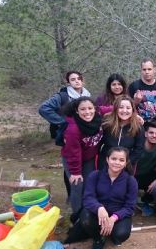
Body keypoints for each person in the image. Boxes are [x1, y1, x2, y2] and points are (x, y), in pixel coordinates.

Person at [39, 70, 92, 200]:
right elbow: (44, 108)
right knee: (69, 165)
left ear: (83, 80)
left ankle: (82, 196)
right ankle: (71, 196)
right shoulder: (62, 96)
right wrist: (62, 123)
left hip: (83, 135)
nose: (77, 81)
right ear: (68, 82)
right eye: (73, 79)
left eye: (79, 78)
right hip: (68, 135)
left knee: (80, 163)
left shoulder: (87, 95)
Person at [81, 147, 138, 249]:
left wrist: (114, 218)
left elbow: (130, 206)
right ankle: (98, 239)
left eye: (121, 160)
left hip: (118, 215)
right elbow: (88, 198)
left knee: (122, 234)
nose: (117, 162)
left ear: (126, 163)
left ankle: (112, 234)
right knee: (86, 219)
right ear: (107, 159)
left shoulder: (130, 181)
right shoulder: (95, 176)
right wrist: (99, 208)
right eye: (113, 159)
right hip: (97, 214)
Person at [61, 97, 104, 216]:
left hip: (88, 158)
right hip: (72, 159)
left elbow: (110, 108)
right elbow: (73, 152)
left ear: (95, 109)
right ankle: (77, 215)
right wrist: (75, 172)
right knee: (77, 185)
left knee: (89, 183)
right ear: (76, 110)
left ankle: (88, 210)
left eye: (90, 108)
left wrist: (134, 115)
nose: (87, 112)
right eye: (83, 109)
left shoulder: (98, 115)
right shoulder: (73, 129)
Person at [99, 96, 145, 170]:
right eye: (121, 107)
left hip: (126, 166)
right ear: (116, 109)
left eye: (128, 108)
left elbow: (139, 149)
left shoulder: (138, 127)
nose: (124, 110)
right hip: (105, 163)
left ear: (132, 110)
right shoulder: (107, 124)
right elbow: (99, 143)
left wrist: (126, 163)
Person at [134, 121, 156, 216]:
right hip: (132, 175)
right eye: (151, 133)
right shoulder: (137, 145)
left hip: (147, 176)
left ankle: (147, 202)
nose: (154, 135)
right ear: (146, 134)